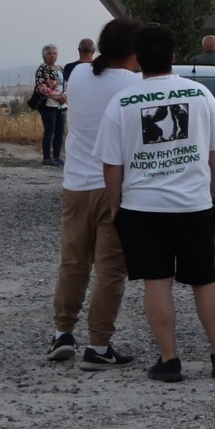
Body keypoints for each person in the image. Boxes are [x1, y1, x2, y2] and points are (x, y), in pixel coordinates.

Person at [95, 23, 215, 383]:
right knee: (205, 279)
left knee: (157, 281)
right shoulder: (200, 94)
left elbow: (112, 163)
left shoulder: (121, 101)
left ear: (137, 59)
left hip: (143, 207)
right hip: (193, 204)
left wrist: (116, 205)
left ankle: (169, 359)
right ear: (173, 55)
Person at [51, 19, 142, 366]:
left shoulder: (77, 74)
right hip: (115, 187)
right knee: (111, 269)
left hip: (75, 185)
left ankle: (62, 333)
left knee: (73, 263)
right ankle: (99, 345)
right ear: (135, 52)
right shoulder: (134, 85)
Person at [28, 44, 67, 165]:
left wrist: (64, 96)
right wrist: (57, 96)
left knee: (60, 131)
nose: (52, 56)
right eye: (49, 53)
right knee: (49, 130)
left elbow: (65, 84)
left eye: (54, 53)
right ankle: (47, 158)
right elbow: (41, 87)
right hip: (48, 104)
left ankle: (56, 156)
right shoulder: (42, 69)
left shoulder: (60, 69)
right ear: (44, 55)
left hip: (61, 105)